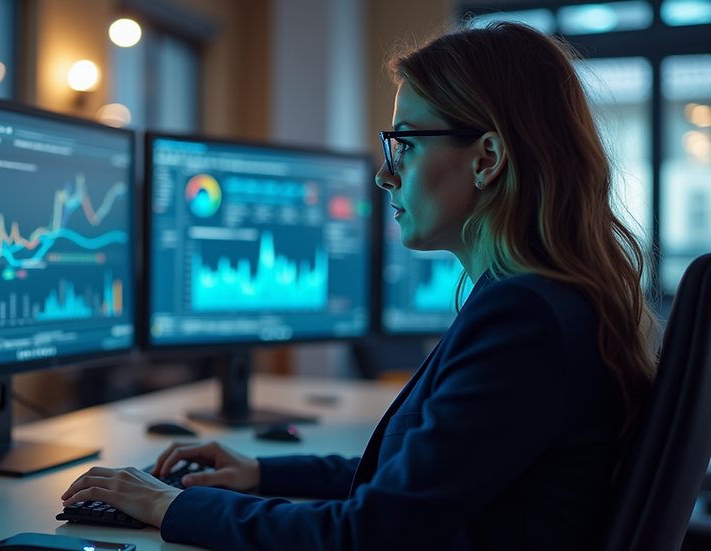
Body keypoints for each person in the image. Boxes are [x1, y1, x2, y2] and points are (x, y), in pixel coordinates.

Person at [60, 22, 658, 551]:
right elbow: (415, 479)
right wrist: (264, 474)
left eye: (405, 144)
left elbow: (365, 533)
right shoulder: (543, 302)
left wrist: (170, 505)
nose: (383, 174)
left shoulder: (524, 318)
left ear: (486, 159)